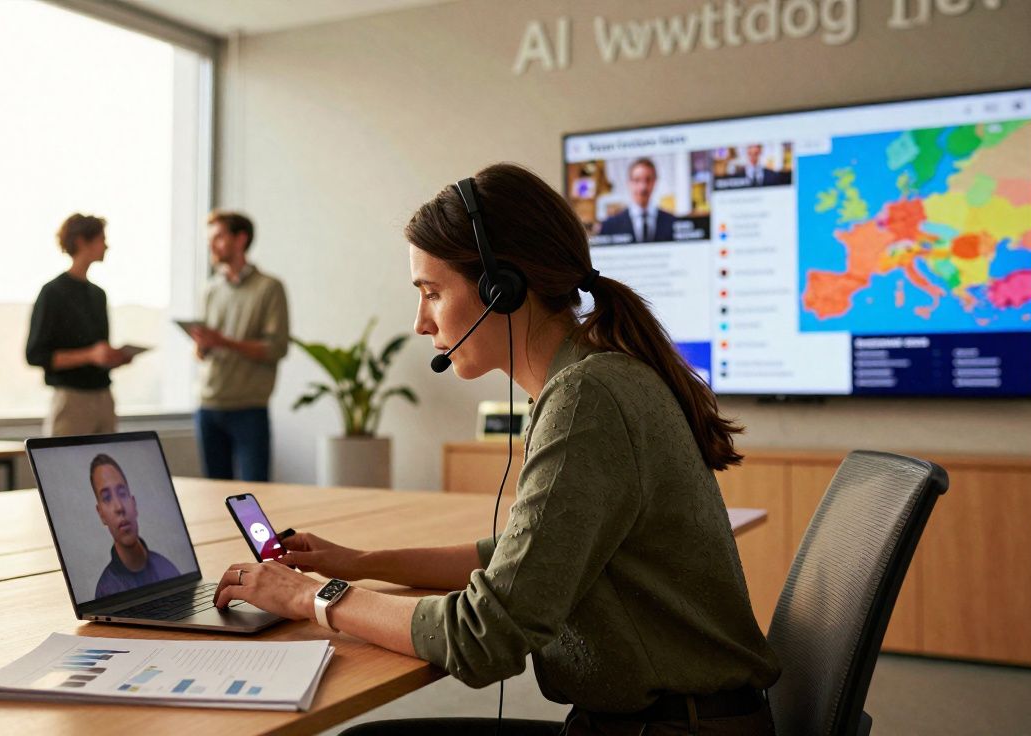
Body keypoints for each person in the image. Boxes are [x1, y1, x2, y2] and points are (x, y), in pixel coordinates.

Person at [212, 164, 780, 735]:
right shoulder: (592, 378)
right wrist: (358, 564)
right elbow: (516, 554)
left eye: (432, 293)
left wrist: (317, 597)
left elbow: (486, 635)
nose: (419, 322)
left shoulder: (586, 398)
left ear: (499, 290)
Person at [190, 210, 289, 482]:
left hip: (249, 409)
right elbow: (202, 352)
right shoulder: (209, 290)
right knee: (214, 494)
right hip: (207, 407)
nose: (212, 244)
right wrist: (203, 346)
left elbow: (276, 349)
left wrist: (223, 342)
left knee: (257, 494)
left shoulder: (269, 288)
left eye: (219, 237)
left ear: (240, 239)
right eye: (210, 238)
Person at [26, 214, 132, 436]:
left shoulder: (98, 295)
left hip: (103, 396)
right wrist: (90, 355)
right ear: (82, 241)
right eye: (102, 239)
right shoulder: (52, 293)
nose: (107, 246)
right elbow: (36, 355)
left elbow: (99, 348)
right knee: (64, 467)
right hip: (72, 400)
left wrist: (114, 357)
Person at [89, 453, 180, 599]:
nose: (119, 507)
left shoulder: (166, 569)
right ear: (101, 514)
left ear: (133, 503)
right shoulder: (106, 591)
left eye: (122, 493)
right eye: (107, 498)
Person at [599, 158, 676, 243]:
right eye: (637, 180)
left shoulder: (672, 222)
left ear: (655, 182)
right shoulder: (610, 225)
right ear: (629, 183)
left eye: (648, 180)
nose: (643, 187)